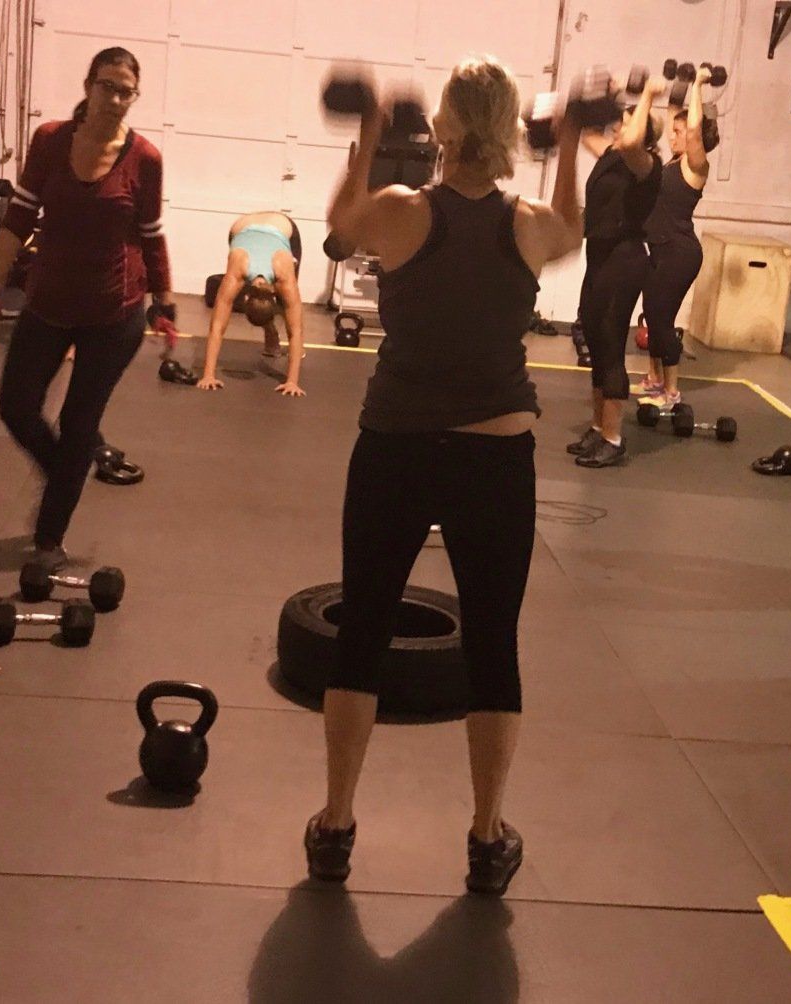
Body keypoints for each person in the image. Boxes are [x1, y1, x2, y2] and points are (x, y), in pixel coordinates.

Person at [304, 56, 582, 897]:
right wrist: (570, 139)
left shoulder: (398, 212)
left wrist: (369, 133)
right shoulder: (530, 224)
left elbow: (340, 227)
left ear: (447, 129)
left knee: (361, 635)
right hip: (495, 454)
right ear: (508, 132)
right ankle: (487, 837)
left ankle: (337, 826)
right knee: (494, 644)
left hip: (396, 445)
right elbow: (573, 226)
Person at [0, 47, 174, 569]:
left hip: (115, 311)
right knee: (15, 406)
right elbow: (18, 216)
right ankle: (69, 471)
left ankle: (48, 538)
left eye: (126, 91)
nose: (116, 99)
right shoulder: (51, 140)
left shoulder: (144, 157)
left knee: (80, 421)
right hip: (48, 302)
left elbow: (150, 234)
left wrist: (165, 303)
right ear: (88, 85)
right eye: (107, 86)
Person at [567, 80, 661, 469]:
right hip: (599, 255)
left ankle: (613, 438)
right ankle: (596, 426)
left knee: (610, 340)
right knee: (591, 334)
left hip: (625, 259)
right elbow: (584, 132)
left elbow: (632, 140)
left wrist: (649, 94)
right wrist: (600, 100)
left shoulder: (644, 164)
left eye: (625, 123)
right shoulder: (612, 157)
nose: (619, 129)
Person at [631, 68, 719, 414]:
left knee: (662, 319)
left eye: (679, 133)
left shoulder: (696, 166)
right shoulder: (675, 160)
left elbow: (694, 127)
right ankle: (654, 378)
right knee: (651, 314)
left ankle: (671, 391)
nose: (673, 136)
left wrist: (698, 84)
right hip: (660, 249)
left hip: (680, 252)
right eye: (674, 132)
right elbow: (674, 114)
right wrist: (677, 83)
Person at [197, 211, 307, 396]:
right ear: (247, 297)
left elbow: (217, 326)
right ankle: (273, 336)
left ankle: (272, 337)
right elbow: (295, 330)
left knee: (289, 302)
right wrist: (291, 382)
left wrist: (209, 375)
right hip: (266, 224)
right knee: (292, 306)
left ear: (245, 297)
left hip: (251, 225)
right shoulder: (280, 272)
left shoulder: (240, 270)